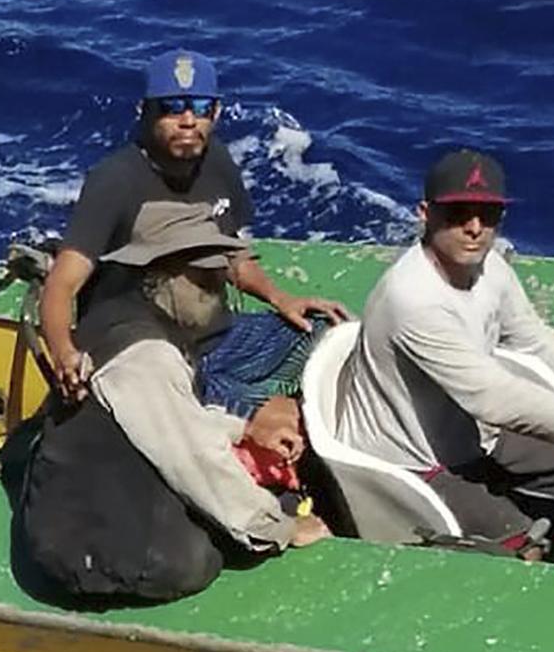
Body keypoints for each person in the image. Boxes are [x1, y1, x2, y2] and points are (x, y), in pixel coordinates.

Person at [336, 149, 554, 546]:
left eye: (489, 215)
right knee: (529, 548)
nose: (474, 228)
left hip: (473, 436)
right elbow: (494, 399)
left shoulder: (489, 267)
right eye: (458, 213)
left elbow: (531, 338)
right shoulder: (413, 301)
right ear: (424, 213)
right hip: (413, 464)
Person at [17, 201, 330, 605]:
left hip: (73, 512)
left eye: (218, 274)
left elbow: (172, 417)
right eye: (202, 278)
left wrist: (243, 429)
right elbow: (194, 458)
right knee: (206, 551)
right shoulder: (147, 355)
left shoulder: (119, 319)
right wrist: (281, 529)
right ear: (158, 276)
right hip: (93, 554)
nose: (217, 289)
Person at [41, 48, 346, 400]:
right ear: (144, 113)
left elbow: (232, 253)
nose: (188, 120)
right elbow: (61, 284)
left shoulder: (217, 161)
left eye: (199, 108)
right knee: (242, 408)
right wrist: (65, 353)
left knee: (327, 333)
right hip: (146, 354)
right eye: (171, 108)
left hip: (216, 339)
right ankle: (235, 410)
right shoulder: (114, 181)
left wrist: (282, 298)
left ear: (215, 112)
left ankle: (236, 402)